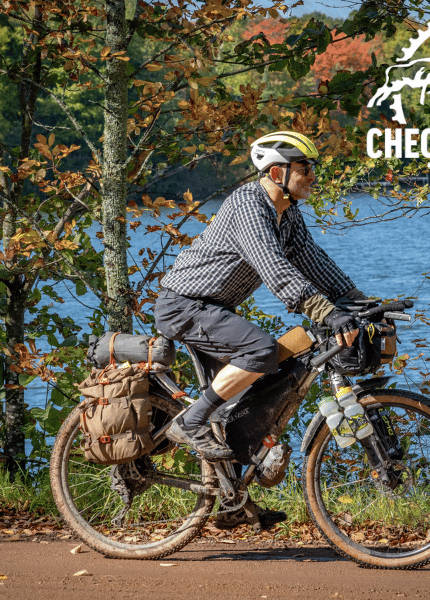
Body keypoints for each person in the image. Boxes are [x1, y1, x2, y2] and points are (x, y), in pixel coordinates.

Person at [153, 131, 366, 528]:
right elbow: (273, 266)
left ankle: (231, 503)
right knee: (262, 351)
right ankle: (189, 422)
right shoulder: (248, 205)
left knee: (245, 405)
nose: (312, 176)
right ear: (276, 172)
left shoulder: (287, 213)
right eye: (305, 168)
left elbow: (312, 260)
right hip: (184, 305)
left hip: (214, 309)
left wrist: (356, 302)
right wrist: (324, 311)